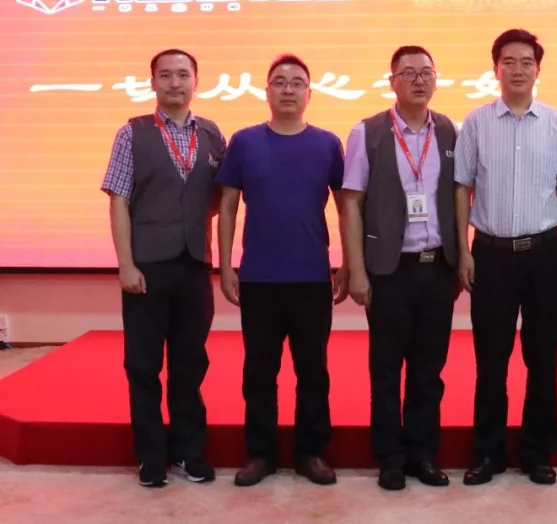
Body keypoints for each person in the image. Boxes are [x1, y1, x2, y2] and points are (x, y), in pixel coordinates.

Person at [454, 28, 557, 486]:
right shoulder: (476, 123)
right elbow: (462, 188)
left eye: (526, 62)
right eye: (508, 61)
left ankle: (537, 452)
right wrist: (463, 251)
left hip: (543, 254)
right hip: (490, 255)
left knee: (542, 358)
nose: (517, 69)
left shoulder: (556, 124)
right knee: (490, 361)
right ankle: (488, 453)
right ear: (495, 69)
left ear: (537, 70)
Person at [216, 53, 349, 487]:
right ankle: (261, 454)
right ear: (267, 91)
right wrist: (225, 265)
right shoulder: (244, 141)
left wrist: (350, 262)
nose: (288, 89)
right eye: (279, 82)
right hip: (258, 277)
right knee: (259, 372)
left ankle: (311, 453)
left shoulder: (328, 144)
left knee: (313, 371)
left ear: (309, 93)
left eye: (296, 83)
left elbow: (347, 208)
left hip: (312, 277)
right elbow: (228, 206)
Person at [102, 48, 224, 488]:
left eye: (183, 75)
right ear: (152, 82)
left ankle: (189, 452)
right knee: (143, 365)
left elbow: (219, 198)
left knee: (190, 364)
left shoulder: (212, 133)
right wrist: (126, 264)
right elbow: (119, 201)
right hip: (147, 269)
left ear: (196, 81)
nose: (175, 83)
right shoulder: (131, 133)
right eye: (166, 75)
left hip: (194, 266)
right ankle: (151, 456)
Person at [341, 45, 460, 491]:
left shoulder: (449, 130)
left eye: (426, 72)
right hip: (389, 270)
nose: (418, 80)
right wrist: (356, 269)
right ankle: (390, 457)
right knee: (387, 369)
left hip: (437, 267)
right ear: (392, 81)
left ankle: (423, 455)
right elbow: (351, 202)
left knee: (429, 370)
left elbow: (459, 198)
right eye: (408, 73)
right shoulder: (367, 132)